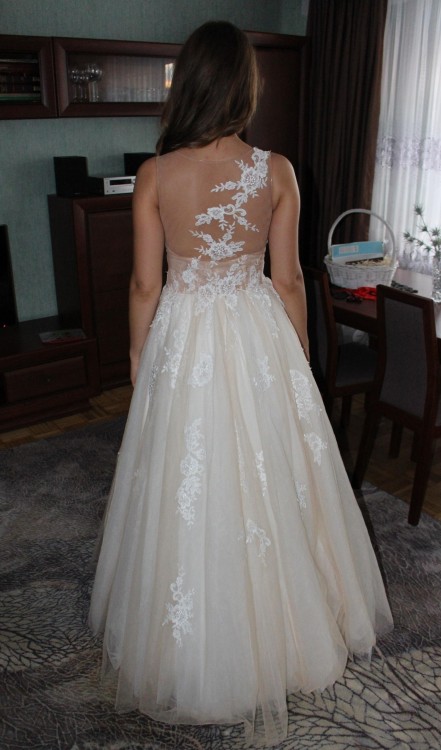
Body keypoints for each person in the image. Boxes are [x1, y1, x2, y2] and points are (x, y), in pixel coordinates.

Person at [89, 20, 393, 748]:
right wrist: (296, 360)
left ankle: (196, 644)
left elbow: (144, 284)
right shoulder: (277, 170)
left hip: (185, 335)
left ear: (188, 85)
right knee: (270, 473)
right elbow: (287, 280)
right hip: (258, 332)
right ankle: (290, 624)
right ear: (242, 88)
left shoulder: (156, 174)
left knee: (186, 478)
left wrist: (137, 355)